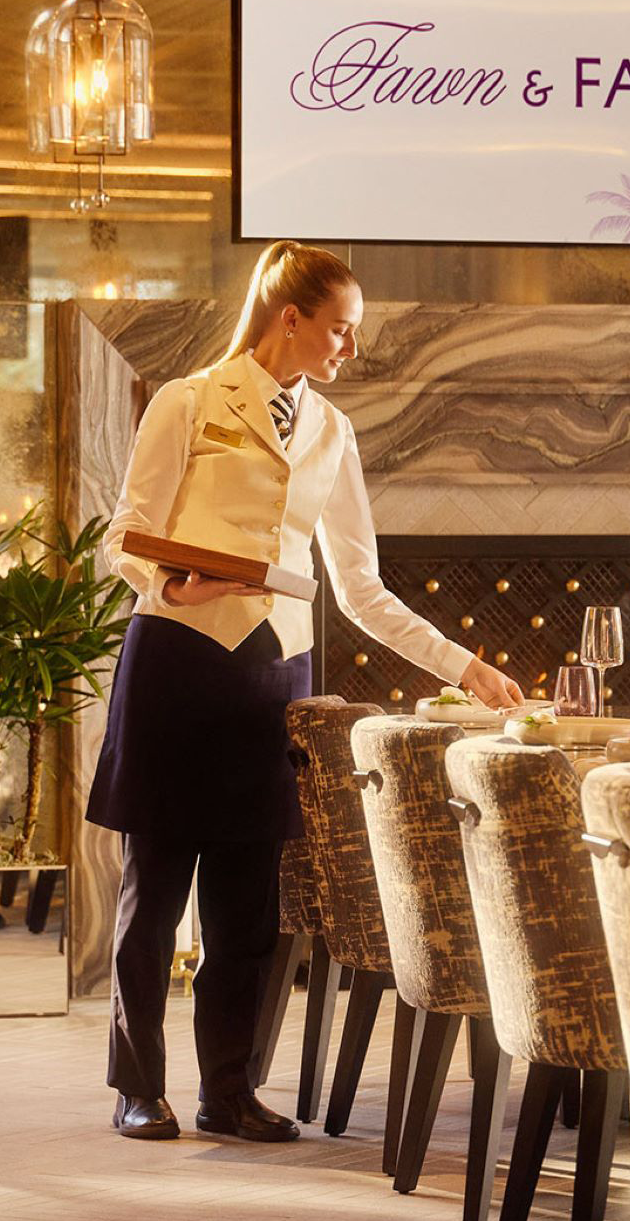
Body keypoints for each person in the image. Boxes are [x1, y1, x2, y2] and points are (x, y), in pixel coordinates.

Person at [88, 241, 524, 1142]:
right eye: (341, 330)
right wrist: (174, 585)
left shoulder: (331, 431)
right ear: (292, 318)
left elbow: (360, 587)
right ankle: (139, 1085)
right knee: (154, 899)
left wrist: (465, 667)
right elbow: (124, 534)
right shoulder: (189, 400)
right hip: (176, 659)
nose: (350, 350)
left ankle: (228, 1089)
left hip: (269, 680)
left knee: (247, 912)